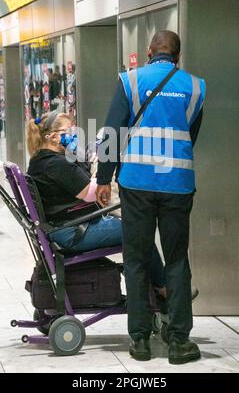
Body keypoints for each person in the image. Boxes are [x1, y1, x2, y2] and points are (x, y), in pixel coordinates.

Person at [96, 30, 206, 364]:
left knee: (137, 258)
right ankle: (178, 341)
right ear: (178, 56)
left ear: (148, 52)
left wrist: (103, 178)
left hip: (137, 183)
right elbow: (191, 134)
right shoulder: (195, 86)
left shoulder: (130, 81)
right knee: (176, 260)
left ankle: (140, 340)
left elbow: (113, 130)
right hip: (177, 183)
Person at [26, 111, 166, 288]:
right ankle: (161, 288)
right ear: (53, 137)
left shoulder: (41, 160)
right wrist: (101, 166)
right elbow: (92, 194)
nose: (74, 135)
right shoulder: (57, 164)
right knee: (140, 229)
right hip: (72, 232)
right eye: (68, 131)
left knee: (136, 226)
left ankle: (151, 288)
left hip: (63, 227)